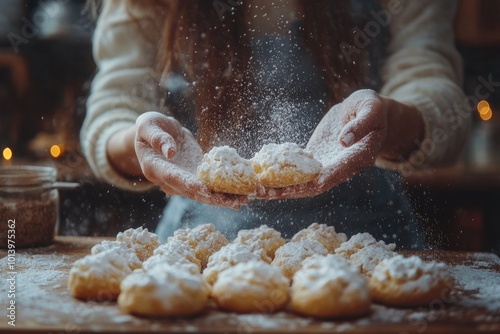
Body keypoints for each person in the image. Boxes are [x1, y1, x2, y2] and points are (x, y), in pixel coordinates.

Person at [80, 0, 469, 249]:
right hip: (202, 245)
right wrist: (142, 140)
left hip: (370, 242)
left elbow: (433, 83)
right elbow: (115, 106)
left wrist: (389, 121)